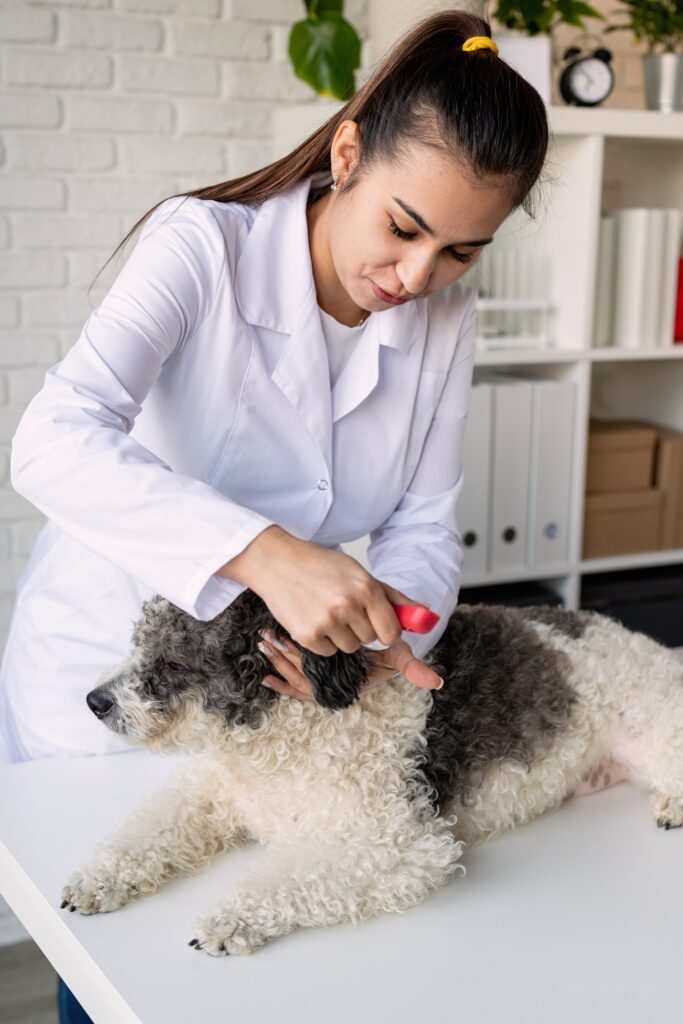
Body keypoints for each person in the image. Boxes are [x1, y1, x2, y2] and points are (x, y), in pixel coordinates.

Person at [1, 10, 549, 1021]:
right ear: (347, 152)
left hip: (276, 702)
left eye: (459, 252)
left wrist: (377, 630)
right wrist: (264, 556)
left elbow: (423, 525)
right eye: (402, 227)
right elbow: (50, 437)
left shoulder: (443, 320)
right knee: (120, 971)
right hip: (115, 690)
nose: (416, 278)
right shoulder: (202, 247)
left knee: (252, 975)